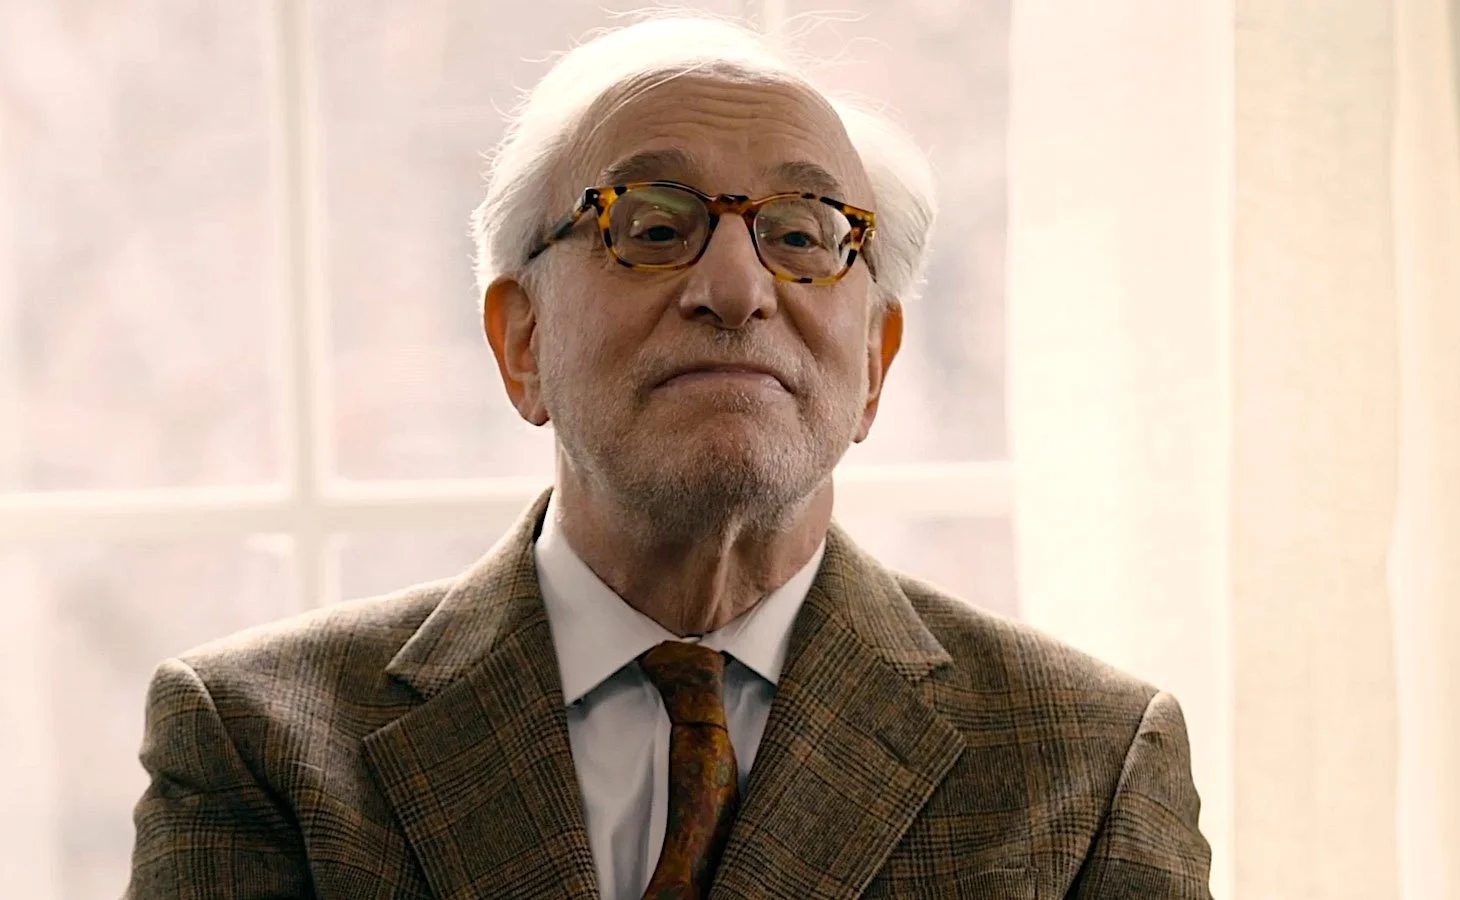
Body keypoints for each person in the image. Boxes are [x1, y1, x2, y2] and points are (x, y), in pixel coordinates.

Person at [125, 12, 1212, 900]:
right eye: (649, 226)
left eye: (800, 234)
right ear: (522, 342)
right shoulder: (259, 746)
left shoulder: (1085, 763)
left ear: (875, 363)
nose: (737, 290)